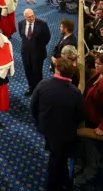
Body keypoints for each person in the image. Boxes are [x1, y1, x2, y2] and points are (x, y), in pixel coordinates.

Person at [31, 57, 86, 191]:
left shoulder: (43, 84)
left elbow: (33, 107)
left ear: (57, 69)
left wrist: (39, 121)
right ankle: (56, 185)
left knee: (57, 156)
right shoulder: (75, 93)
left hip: (46, 128)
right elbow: (81, 116)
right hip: (65, 132)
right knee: (57, 157)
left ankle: (57, 183)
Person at [18, 9, 51, 95]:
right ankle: (31, 87)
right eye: (29, 17)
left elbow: (47, 37)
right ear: (25, 17)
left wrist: (40, 46)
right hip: (25, 53)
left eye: (33, 15)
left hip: (38, 54)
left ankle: (39, 90)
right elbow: (22, 36)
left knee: (37, 73)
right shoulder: (21, 23)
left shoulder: (42, 24)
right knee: (28, 71)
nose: (32, 18)